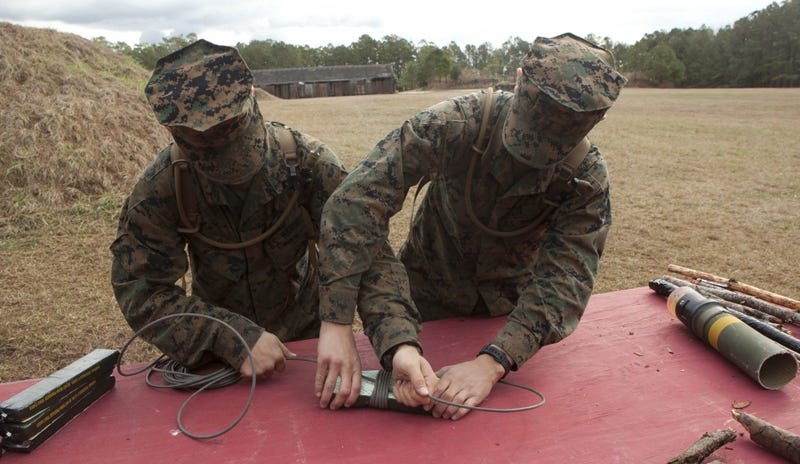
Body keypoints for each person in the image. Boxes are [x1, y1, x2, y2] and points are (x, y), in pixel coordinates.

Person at [315, 33, 627, 419]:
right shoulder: (455, 123)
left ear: (596, 121)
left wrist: (494, 362)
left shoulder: (584, 177)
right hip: (423, 297)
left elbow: (566, 280)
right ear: (517, 79)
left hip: (507, 315)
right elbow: (355, 206)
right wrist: (343, 323)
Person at [110, 39, 349, 379]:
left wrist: (345, 327)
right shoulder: (161, 188)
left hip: (310, 342)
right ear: (171, 131)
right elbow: (140, 288)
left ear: (252, 96)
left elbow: (361, 252)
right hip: (219, 362)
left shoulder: (309, 164)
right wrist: (230, 337)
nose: (228, 164)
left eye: (233, 139)